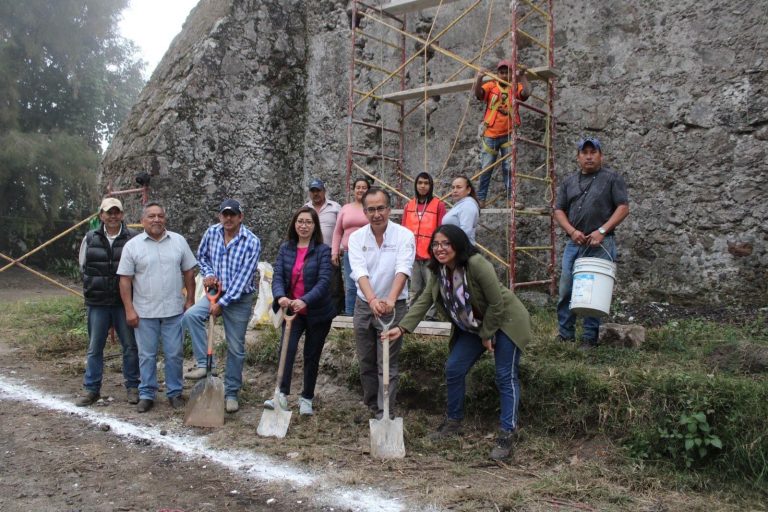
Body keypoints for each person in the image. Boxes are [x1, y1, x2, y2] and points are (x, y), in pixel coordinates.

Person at [383, 224, 532, 460]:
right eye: (436, 244)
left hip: (505, 321)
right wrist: (401, 327)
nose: (440, 249)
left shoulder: (476, 264)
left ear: (458, 244)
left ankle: (507, 432)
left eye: (446, 243)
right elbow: (424, 301)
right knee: (454, 368)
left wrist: (487, 334)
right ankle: (454, 422)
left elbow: (496, 304)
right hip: (473, 325)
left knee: (505, 375)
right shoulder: (438, 270)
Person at [182, 199, 261, 413]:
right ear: (220, 217)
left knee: (235, 347)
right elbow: (202, 257)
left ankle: (231, 392)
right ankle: (206, 365)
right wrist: (208, 275)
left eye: (232, 215)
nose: (228, 218)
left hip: (238, 299)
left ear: (240, 217)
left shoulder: (251, 241)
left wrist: (222, 304)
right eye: (224, 215)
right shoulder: (212, 233)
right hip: (214, 293)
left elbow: (243, 279)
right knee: (190, 316)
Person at [117, 202, 197, 413]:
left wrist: (189, 300)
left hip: (174, 310)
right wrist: (129, 310)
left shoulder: (178, 241)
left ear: (165, 219)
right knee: (146, 355)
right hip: (144, 311)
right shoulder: (133, 246)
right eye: (151, 216)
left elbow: (189, 272)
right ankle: (147, 394)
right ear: (143, 220)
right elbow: (124, 280)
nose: (156, 220)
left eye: (160, 215)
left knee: (174, 354)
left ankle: (175, 393)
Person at [554, 137, 629, 349]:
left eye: (593, 152)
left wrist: (602, 231)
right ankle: (565, 335)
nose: (589, 156)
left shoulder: (612, 179)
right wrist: (572, 230)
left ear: (601, 156)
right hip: (575, 243)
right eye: (584, 152)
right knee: (566, 289)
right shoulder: (569, 182)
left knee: (594, 292)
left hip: (600, 244)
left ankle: (589, 338)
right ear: (578, 157)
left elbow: (623, 207)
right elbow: (558, 210)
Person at [348, 187, 415, 419]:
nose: (377, 214)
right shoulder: (356, 238)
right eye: (371, 209)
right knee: (366, 358)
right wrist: (373, 299)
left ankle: (386, 409)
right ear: (365, 212)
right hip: (365, 303)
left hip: (393, 304)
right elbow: (359, 271)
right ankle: (372, 405)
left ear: (389, 209)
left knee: (386, 361)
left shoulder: (404, 235)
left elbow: (403, 268)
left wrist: (390, 300)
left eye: (381, 208)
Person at [268, 206, 335, 416]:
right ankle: (281, 394)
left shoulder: (323, 251)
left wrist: (304, 300)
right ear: (294, 224)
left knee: (311, 355)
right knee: (286, 351)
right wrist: (281, 297)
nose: (303, 226)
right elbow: (277, 275)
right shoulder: (285, 249)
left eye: (308, 222)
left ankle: (306, 397)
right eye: (300, 221)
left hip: (317, 312)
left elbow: (324, 281)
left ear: (315, 226)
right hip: (291, 311)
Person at [75, 197, 140, 407]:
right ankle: (91, 389)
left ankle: (132, 387)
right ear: (101, 215)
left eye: (116, 212)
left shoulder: (133, 238)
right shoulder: (90, 238)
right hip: (98, 302)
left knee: (130, 346)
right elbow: (83, 267)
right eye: (108, 212)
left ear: (122, 214)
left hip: (124, 303)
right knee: (95, 348)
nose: (112, 216)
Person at [473, 59, 531, 208]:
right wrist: (479, 77)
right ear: (498, 73)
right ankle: (481, 199)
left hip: (508, 133)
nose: (504, 75)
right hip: (490, 134)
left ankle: (511, 199)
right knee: (486, 168)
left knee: (509, 168)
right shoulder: (491, 86)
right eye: (501, 72)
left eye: (507, 72)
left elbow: (526, 93)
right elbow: (478, 94)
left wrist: (522, 77)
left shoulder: (514, 87)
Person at [401, 172, 446, 317]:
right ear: (416, 185)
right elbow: (403, 229)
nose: (423, 186)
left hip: (431, 253)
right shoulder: (409, 205)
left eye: (426, 183)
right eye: (420, 182)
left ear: (430, 185)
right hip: (413, 254)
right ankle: (413, 316)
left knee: (431, 287)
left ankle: (430, 316)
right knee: (414, 288)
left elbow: (441, 229)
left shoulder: (438, 205)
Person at [331, 177, 370, 316]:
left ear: (368, 190)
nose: (360, 190)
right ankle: (349, 314)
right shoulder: (345, 208)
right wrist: (334, 252)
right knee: (351, 285)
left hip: (368, 253)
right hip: (349, 253)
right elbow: (337, 232)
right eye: (358, 187)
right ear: (354, 190)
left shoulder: (371, 209)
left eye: (364, 187)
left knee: (367, 283)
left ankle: (366, 314)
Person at [305, 178, 343, 314]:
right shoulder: (306, 208)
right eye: (313, 191)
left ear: (324, 191)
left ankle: (335, 311)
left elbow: (342, 228)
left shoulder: (335, 207)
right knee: (312, 280)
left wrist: (340, 248)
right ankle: (314, 308)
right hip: (311, 252)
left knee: (333, 282)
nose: (316, 194)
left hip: (330, 251)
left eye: (318, 190)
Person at [442, 176, 480, 245]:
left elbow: (465, 232)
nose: (455, 190)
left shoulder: (468, 205)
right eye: (453, 187)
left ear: (468, 190)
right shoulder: (460, 205)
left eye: (459, 187)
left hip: (461, 250)